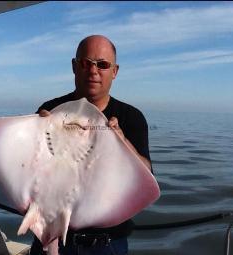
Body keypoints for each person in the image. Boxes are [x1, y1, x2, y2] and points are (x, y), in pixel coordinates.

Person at [30, 35, 152, 255]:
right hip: (51, 234)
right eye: (86, 63)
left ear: (114, 71)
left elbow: (147, 177)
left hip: (106, 242)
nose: (94, 71)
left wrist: (122, 142)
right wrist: (35, 135)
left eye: (103, 65)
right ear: (75, 67)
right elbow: (28, 171)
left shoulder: (131, 117)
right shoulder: (50, 110)